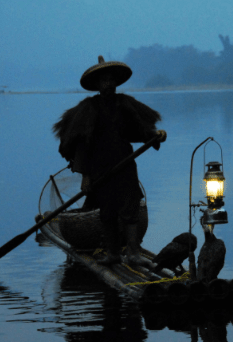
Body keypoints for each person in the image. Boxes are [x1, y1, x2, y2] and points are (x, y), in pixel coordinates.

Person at [53, 55, 166, 266]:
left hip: (125, 163)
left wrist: (154, 135)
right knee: (107, 211)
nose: (108, 84)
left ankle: (133, 253)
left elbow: (138, 129)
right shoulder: (88, 108)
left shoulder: (125, 103)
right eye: (103, 80)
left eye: (111, 80)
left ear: (116, 82)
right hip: (100, 168)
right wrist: (85, 176)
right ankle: (113, 253)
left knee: (130, 207)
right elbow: (81, 144)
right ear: (97, 84)